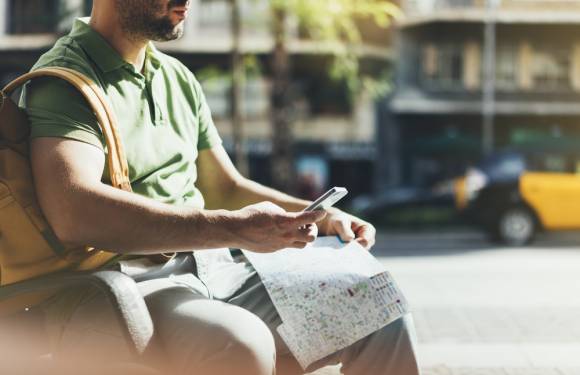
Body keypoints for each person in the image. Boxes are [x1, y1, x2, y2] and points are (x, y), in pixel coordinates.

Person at [22, 0, 421, 374]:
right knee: (240, 344)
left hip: (216, 268)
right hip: (128, 285)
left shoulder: (176, 78)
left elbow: (225, 188)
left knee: (378, 305)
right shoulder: (66, 81)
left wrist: (317, 213)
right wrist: (232, 228)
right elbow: (73, 212)